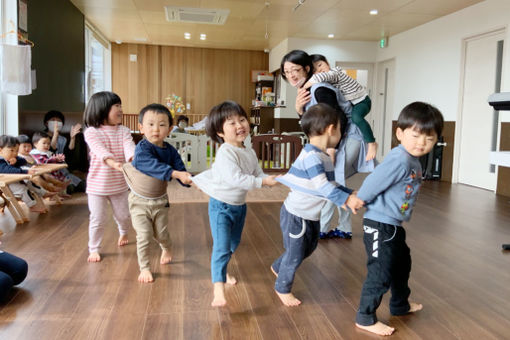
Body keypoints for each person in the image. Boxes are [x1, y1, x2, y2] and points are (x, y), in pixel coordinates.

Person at [354, 102, 444, 336]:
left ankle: (400, 304)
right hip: (379, 224)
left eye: (429, 139)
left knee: (402, 264)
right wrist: (360, 199)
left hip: (393, 224)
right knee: (381, 271)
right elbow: (375, 181)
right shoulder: (400, 159)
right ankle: (365, 316)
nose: (421, 143)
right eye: (415, 136)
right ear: (399, 133)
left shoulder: (412, 159)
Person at [272, 104, 364, 307]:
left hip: (310, 215)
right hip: (296, 214)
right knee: (296, 253)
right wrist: (346, 201)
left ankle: (279, 266)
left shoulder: (323, 156)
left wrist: (349, 193)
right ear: (331, 129)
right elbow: (323, 188)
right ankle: (282, 287)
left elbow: (331, 184)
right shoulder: (312, 156)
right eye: (341, 130)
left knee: (309, 247)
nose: (341, 134)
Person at [191, 101, 278, 307]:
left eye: (241, 119)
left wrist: (270, 179)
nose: (239, 125)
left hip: (239, 206)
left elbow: (257, 173)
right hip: (221, 206)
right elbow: (237, 179)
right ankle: (218, 289)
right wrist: (262, 182)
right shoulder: (225, 153)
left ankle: (222, 269)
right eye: (231, 123)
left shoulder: (248, 151)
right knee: (221, 247)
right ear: (220, 132)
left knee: (233, 244)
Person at [280, 50, 374, 240]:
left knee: (331, 181)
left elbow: (336, 118)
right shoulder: (308, 90)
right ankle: (339, 228)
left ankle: (324, 228)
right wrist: (298, 110)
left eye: (295, 70)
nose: (291, 75)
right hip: (339, 139)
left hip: (347, 137)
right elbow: (313, 124)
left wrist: (332, 147)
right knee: (333, 181)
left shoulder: (320, 88)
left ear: (307, 69)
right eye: (287, 72)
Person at [122, 103, 192, 283]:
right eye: (150, 124)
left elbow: (180, 168)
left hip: (160, 201)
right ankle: (144, 267)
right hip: (139, 201)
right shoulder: (142, 149)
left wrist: (189, 180)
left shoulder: (170, 151)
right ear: (141, 128)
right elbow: (149, 165)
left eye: (161, 125)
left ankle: (166, 248)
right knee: (144, 235)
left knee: (162, 234)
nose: (156, 129)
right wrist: (174, 173)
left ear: (169, 129)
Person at [83, 91, 135, 263]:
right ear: (102, 109)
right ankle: (94, 248)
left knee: (123, 216)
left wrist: (133, 159)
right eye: (117, 106)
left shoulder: (124, 131)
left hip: (119, 184)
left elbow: (129, 147)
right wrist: (114, 163)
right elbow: (99, 150)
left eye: (121, 106)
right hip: (97, 186)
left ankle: (123, 231)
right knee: (98, 218)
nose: (121, 110)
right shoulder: (92, 132)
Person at [304, 54, 377, 161]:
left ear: (327, 63)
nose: (320, 70)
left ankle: (372, 142)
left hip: (362, 101)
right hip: (354, 102)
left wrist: (304, 86)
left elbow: (321, 77)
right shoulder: (325, 84)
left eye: (320, 65)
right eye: (315, 70)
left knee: (356, 117)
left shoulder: (334, 72)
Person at [43, 110, 87, 193]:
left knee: (84, 186)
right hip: (50, 172)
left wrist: (73, 138)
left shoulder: (62, 139)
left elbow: (68, 154)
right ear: (46, 123)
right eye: (53, 120)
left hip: (63, 171)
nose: (56, 123)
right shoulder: (41, 137)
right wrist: (55, 134)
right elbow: (51, 151)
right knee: (70, 189)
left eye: (59, 121)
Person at [0, 135, 47, 213]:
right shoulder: (1, 161)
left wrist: (16, 160)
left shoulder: (10, 158)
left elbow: (23, 161)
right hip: (4, 184)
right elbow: (7, 170)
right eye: (12, 150)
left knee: (29, 182)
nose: (15, 153)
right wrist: (26, 172)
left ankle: (44, 193)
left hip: (11, 181)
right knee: (22, 189)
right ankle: (32, 206)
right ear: (0, 150)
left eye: (16, 151)